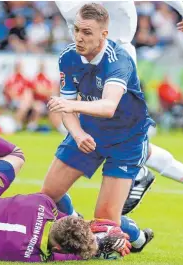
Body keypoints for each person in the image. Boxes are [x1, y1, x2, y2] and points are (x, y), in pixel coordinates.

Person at [56, 1, 183, 228]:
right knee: (126, 140)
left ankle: (142, 182)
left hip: (116, 58)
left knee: (123, 134)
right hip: (89, 60)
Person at [0, 74, 132, 262]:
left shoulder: (41, 203)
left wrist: (86, 225)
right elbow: (69, 254)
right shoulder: (35, 257)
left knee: (15, 156)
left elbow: (59, 201)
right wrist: (96, 248)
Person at [42, 4, 155, 253]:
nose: (79, 37)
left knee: (104, 221)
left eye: (87, 32)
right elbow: (67, 109)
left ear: (104, 34)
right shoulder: (68, 57)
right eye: (77, 30)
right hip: (89, 130)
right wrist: (78, 133)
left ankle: (136, 237)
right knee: (48, 195)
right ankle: (78, 224)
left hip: (126, 139)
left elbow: (108, 106)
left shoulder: (119, 60)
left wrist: (69, 105)